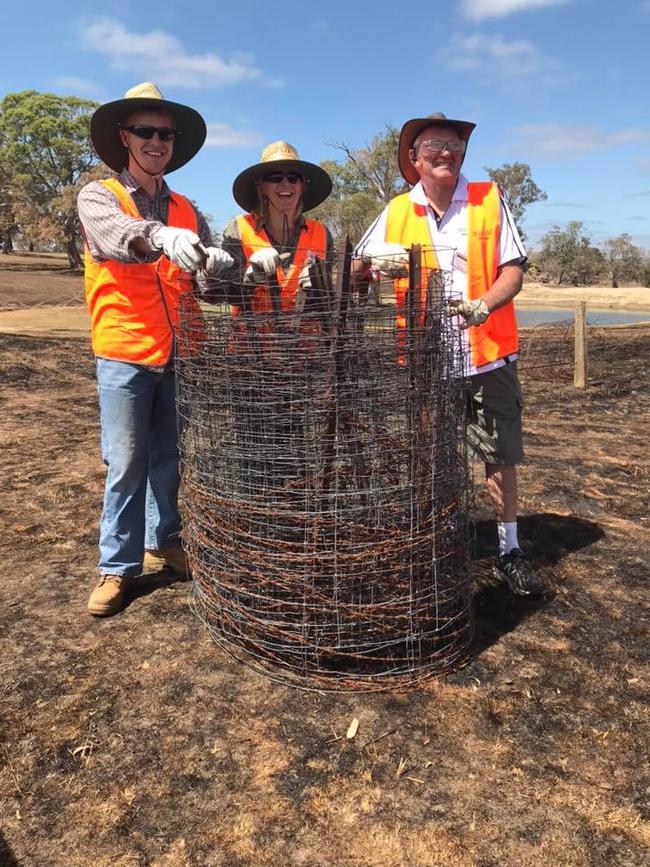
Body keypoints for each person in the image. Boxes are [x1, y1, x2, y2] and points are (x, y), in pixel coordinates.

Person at [354, 112, 544, 596]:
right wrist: (373, 265)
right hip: (425, 359)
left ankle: (509, 549)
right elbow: (358, 268)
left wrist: (485, 303)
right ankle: (434, 539)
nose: (446, 152)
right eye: (434, 144)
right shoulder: (397, 210)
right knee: (428, 453)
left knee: (499, 454)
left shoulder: (489, 199)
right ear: (414, 159)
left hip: (487, 354)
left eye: (455, 144)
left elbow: (513, 271)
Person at [78, 82, 233, 616]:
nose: (156, 141)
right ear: (125, 137)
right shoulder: (100, 195)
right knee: (126, 461)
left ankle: (163, 542)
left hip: (181, 350)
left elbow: (203, 282)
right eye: (145, 131)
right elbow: (120, 237)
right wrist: (161, 236)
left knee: (168, 459)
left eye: (165, 134)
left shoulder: (189, 207)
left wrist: (217, 269)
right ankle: (115, 568)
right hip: (124, 350)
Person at [216, 141, 333, 497]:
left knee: (299, 451)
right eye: (275, 177)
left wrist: (326, 284)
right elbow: (220, 291)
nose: (285, 185)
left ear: (303, 186)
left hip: (303, 365)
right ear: (261, 187)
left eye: (293, 178)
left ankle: (293, 522)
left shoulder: (321, 234)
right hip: (252, 362)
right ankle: (261, 525)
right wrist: (247, 277)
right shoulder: (238, 230)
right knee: (255, 452)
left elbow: (332, 304)